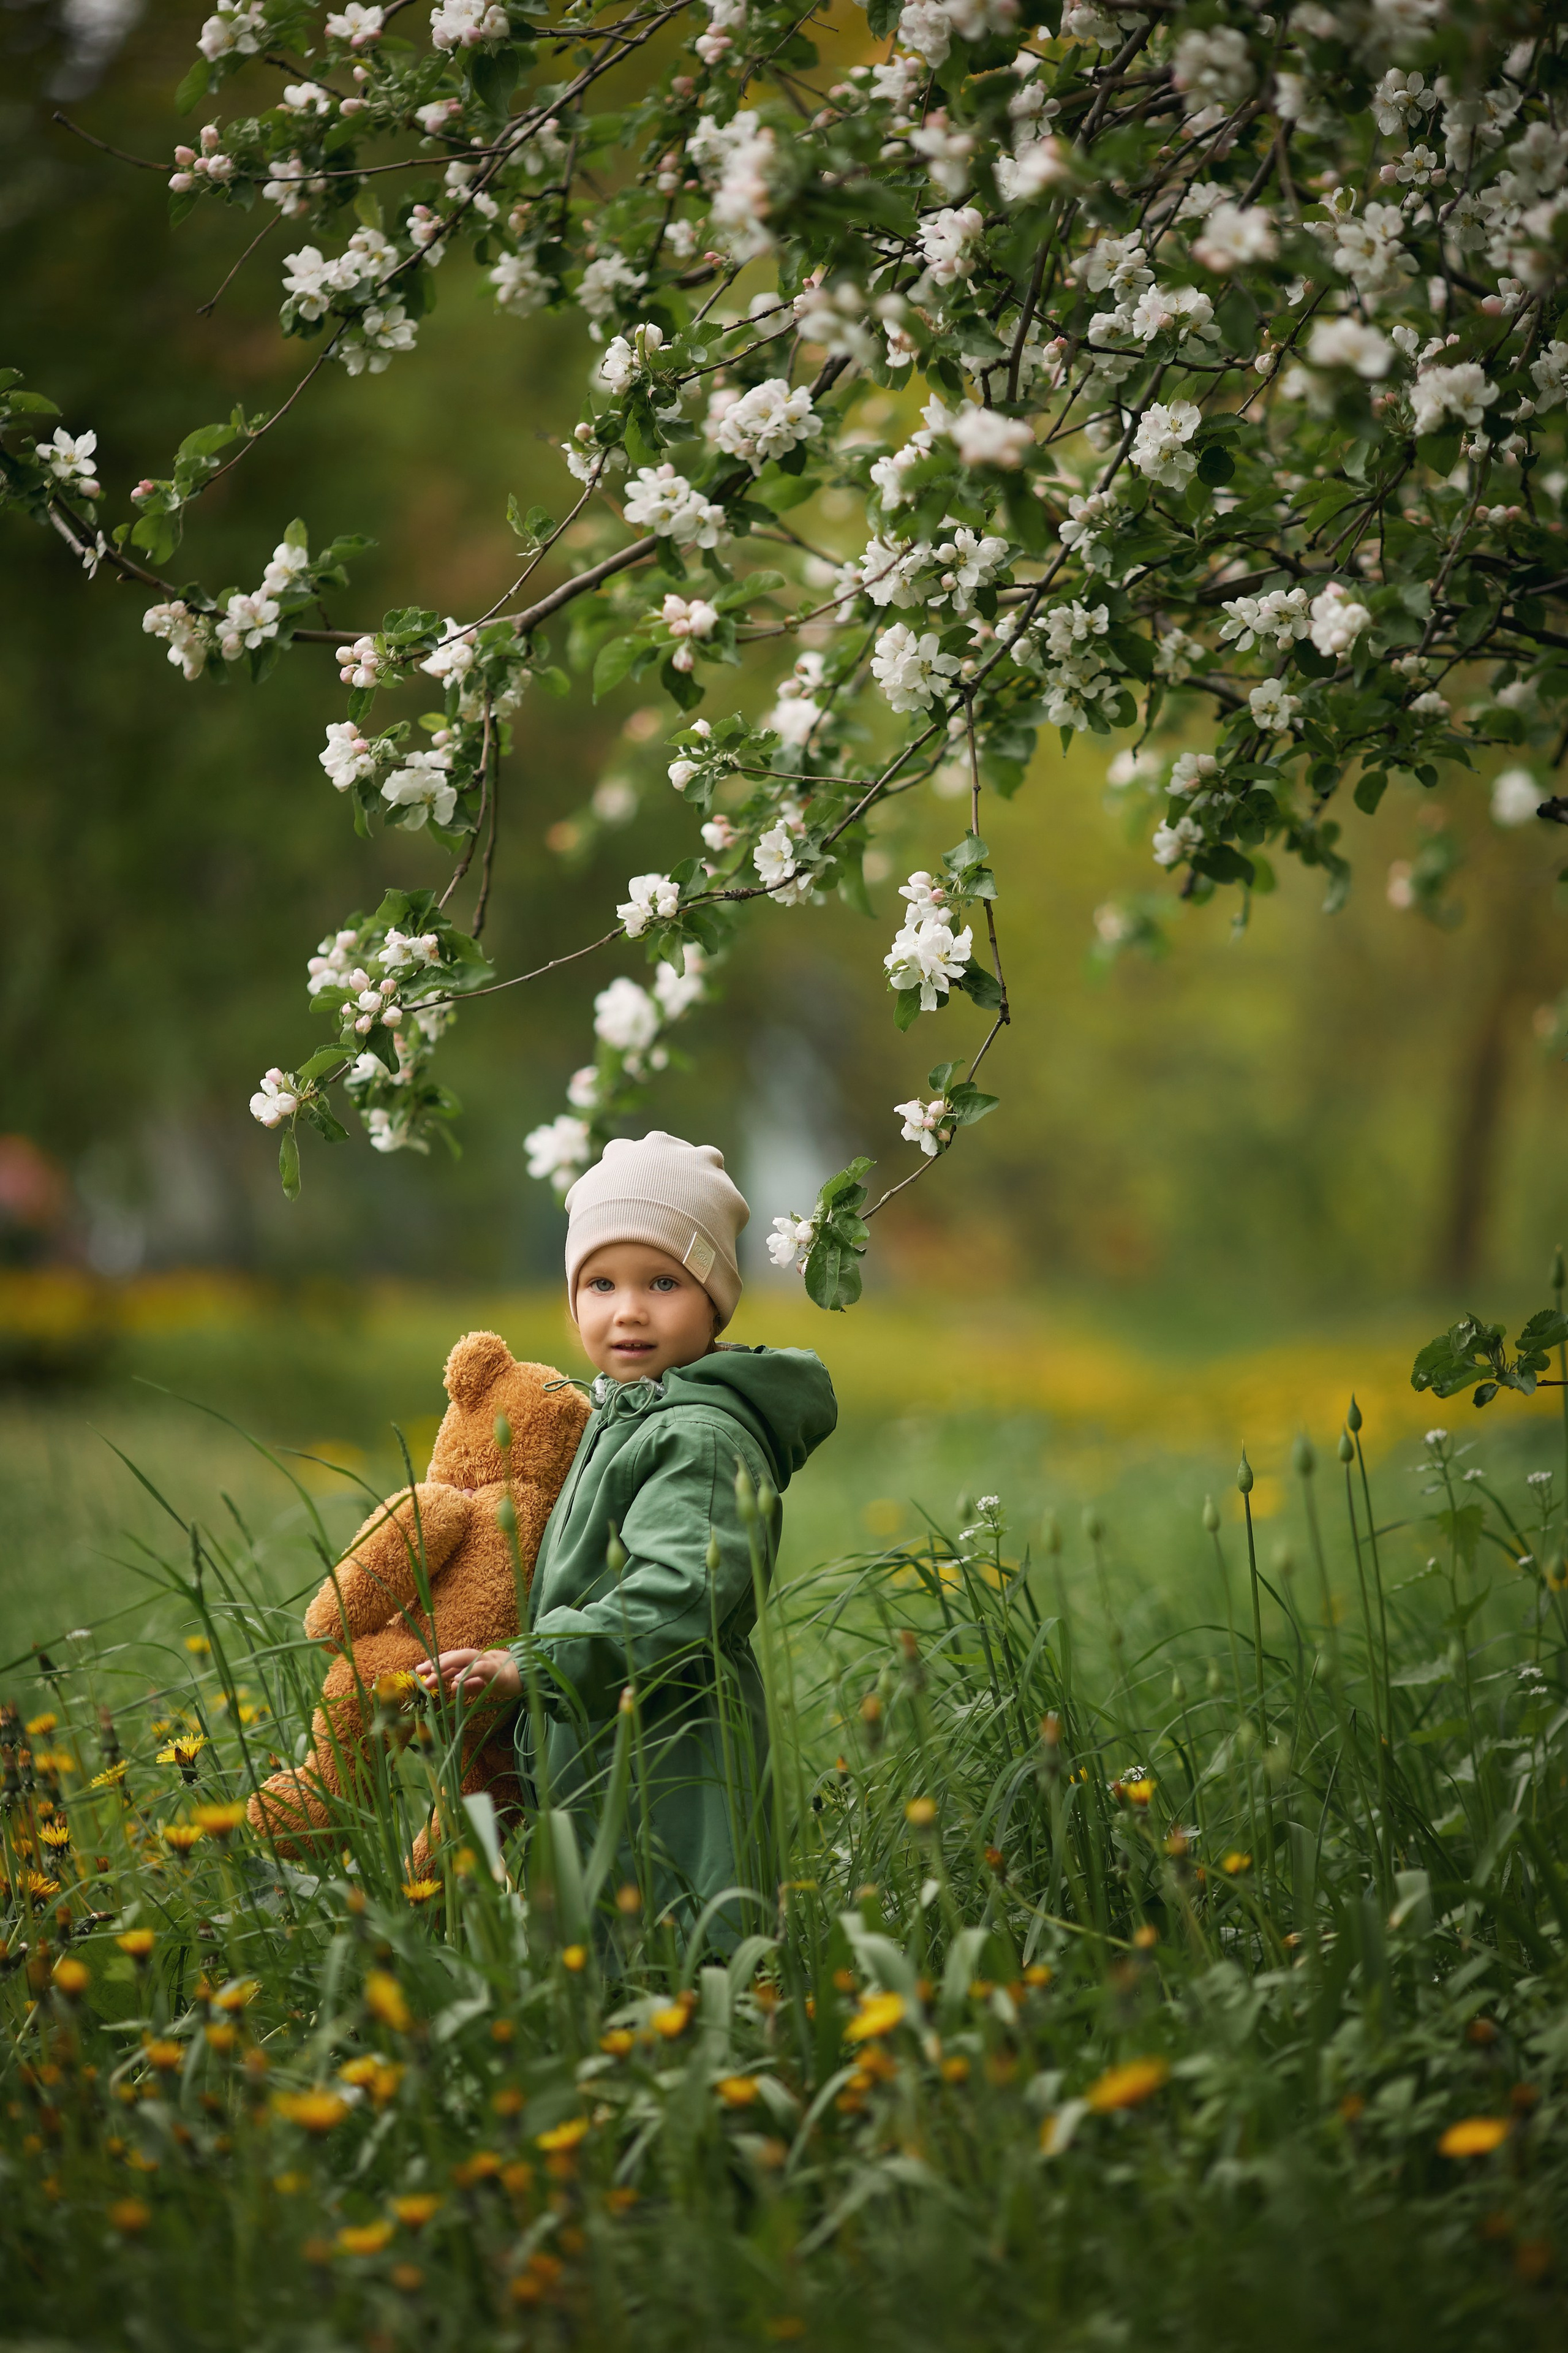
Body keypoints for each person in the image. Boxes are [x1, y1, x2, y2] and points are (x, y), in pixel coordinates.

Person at [415, 1129, 837, 1935]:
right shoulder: (621, 1413)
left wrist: (531, 1661)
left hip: (671, 1771)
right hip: (596, 1754)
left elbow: (681, 1596)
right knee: (598, 1956)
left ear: (713, 1296)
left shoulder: (702, 1437)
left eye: (664, 1280)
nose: (628, 1309)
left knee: (676, 1956)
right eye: (600, 1281)